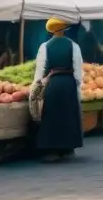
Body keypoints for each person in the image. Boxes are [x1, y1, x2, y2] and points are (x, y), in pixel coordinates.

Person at [31, 17, 84, 162]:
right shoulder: (74, 46)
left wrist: (36, 87)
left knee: (51, 116)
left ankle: (51, 150)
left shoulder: (44, 47)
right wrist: (77, 86)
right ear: (64, 30)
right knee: (68, 116)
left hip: (52, 83)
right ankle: (67, 149)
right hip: (69, 83)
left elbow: (40, 71)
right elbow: (78, 71)